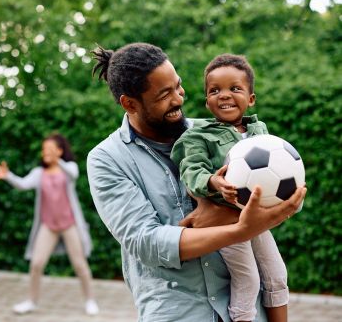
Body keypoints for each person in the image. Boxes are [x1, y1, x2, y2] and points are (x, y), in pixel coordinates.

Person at [87, 42, 306, 322]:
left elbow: (284, 198)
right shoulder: (107, 159)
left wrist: (222, 216)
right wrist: (239, 229)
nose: (179, 99)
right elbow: (146, 242)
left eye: (178, 86)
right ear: (130, 103)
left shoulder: (216, 133)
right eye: (164, 94)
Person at [171, 53, 290, 322]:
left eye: (234, 88)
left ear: (251, 99)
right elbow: (192, 170)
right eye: (215, 90)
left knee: (277, 274)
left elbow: (281, 167)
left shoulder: (260, 132)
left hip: (255, 218)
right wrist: (214, 181)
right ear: (207, 101)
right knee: (248, 278)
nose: (224, 95)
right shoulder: (197, 137)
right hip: (224, 221)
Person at [0, 133, 99, 315]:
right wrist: (7, 175)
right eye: (44, 150)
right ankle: (31, 301)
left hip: (69, 224)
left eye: (49, 149)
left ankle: (90, 301)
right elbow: (23, 184)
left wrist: (58, 160)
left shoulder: (68, 169)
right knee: (36, 264)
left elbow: (74, 174)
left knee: (80, 265)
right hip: (48, 226)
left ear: (59, 151)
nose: (45, 153)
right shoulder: (39, 173)